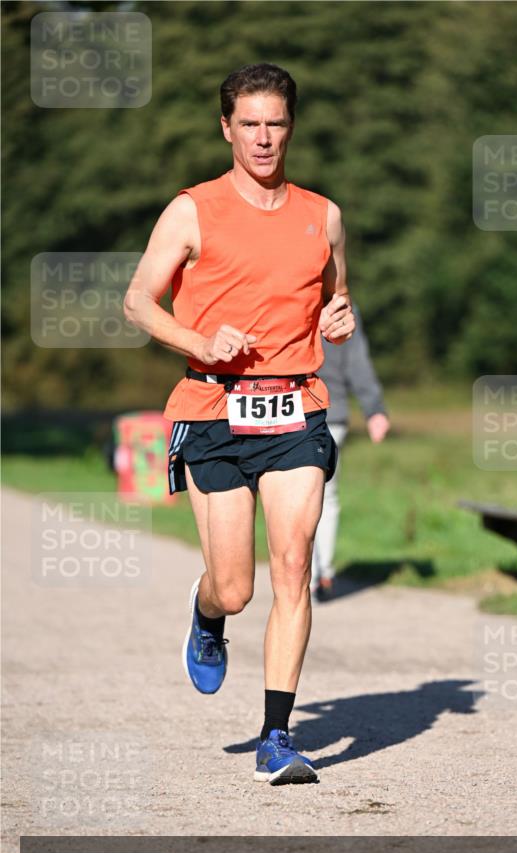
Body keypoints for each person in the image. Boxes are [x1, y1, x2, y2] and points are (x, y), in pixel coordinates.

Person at [124, 63, 355, 785]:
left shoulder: (324, 215)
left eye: (275, 123)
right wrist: (198, 342)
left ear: (292, 126)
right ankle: (206, 614)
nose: (263, 137)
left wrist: (339, 321)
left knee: (292, 568)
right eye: (249, 123)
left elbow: (333, 297)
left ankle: (276, 737)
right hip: (213, 409)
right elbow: (137, 301)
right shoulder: (192, 210)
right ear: (226, 128)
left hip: (296, 410)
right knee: (236, 587)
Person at [311, 306, 390, 601]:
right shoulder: (342, 305)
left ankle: (308, 575)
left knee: (297, 498)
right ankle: (325, 573)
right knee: (327, 495)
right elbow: (358, 363)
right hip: (333, 413)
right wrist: (375, 410)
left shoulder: (283, 287)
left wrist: (374, 409)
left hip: (299, 411)